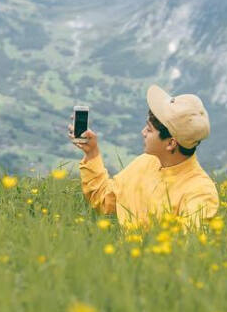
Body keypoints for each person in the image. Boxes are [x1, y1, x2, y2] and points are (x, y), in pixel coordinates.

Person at [71, 84, 219, 228]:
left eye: (149, 129)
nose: (143, 132)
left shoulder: (201, 192)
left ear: (171, 143)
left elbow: (188, 247)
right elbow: (103, 200)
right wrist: (92, 153)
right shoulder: (145, 162)